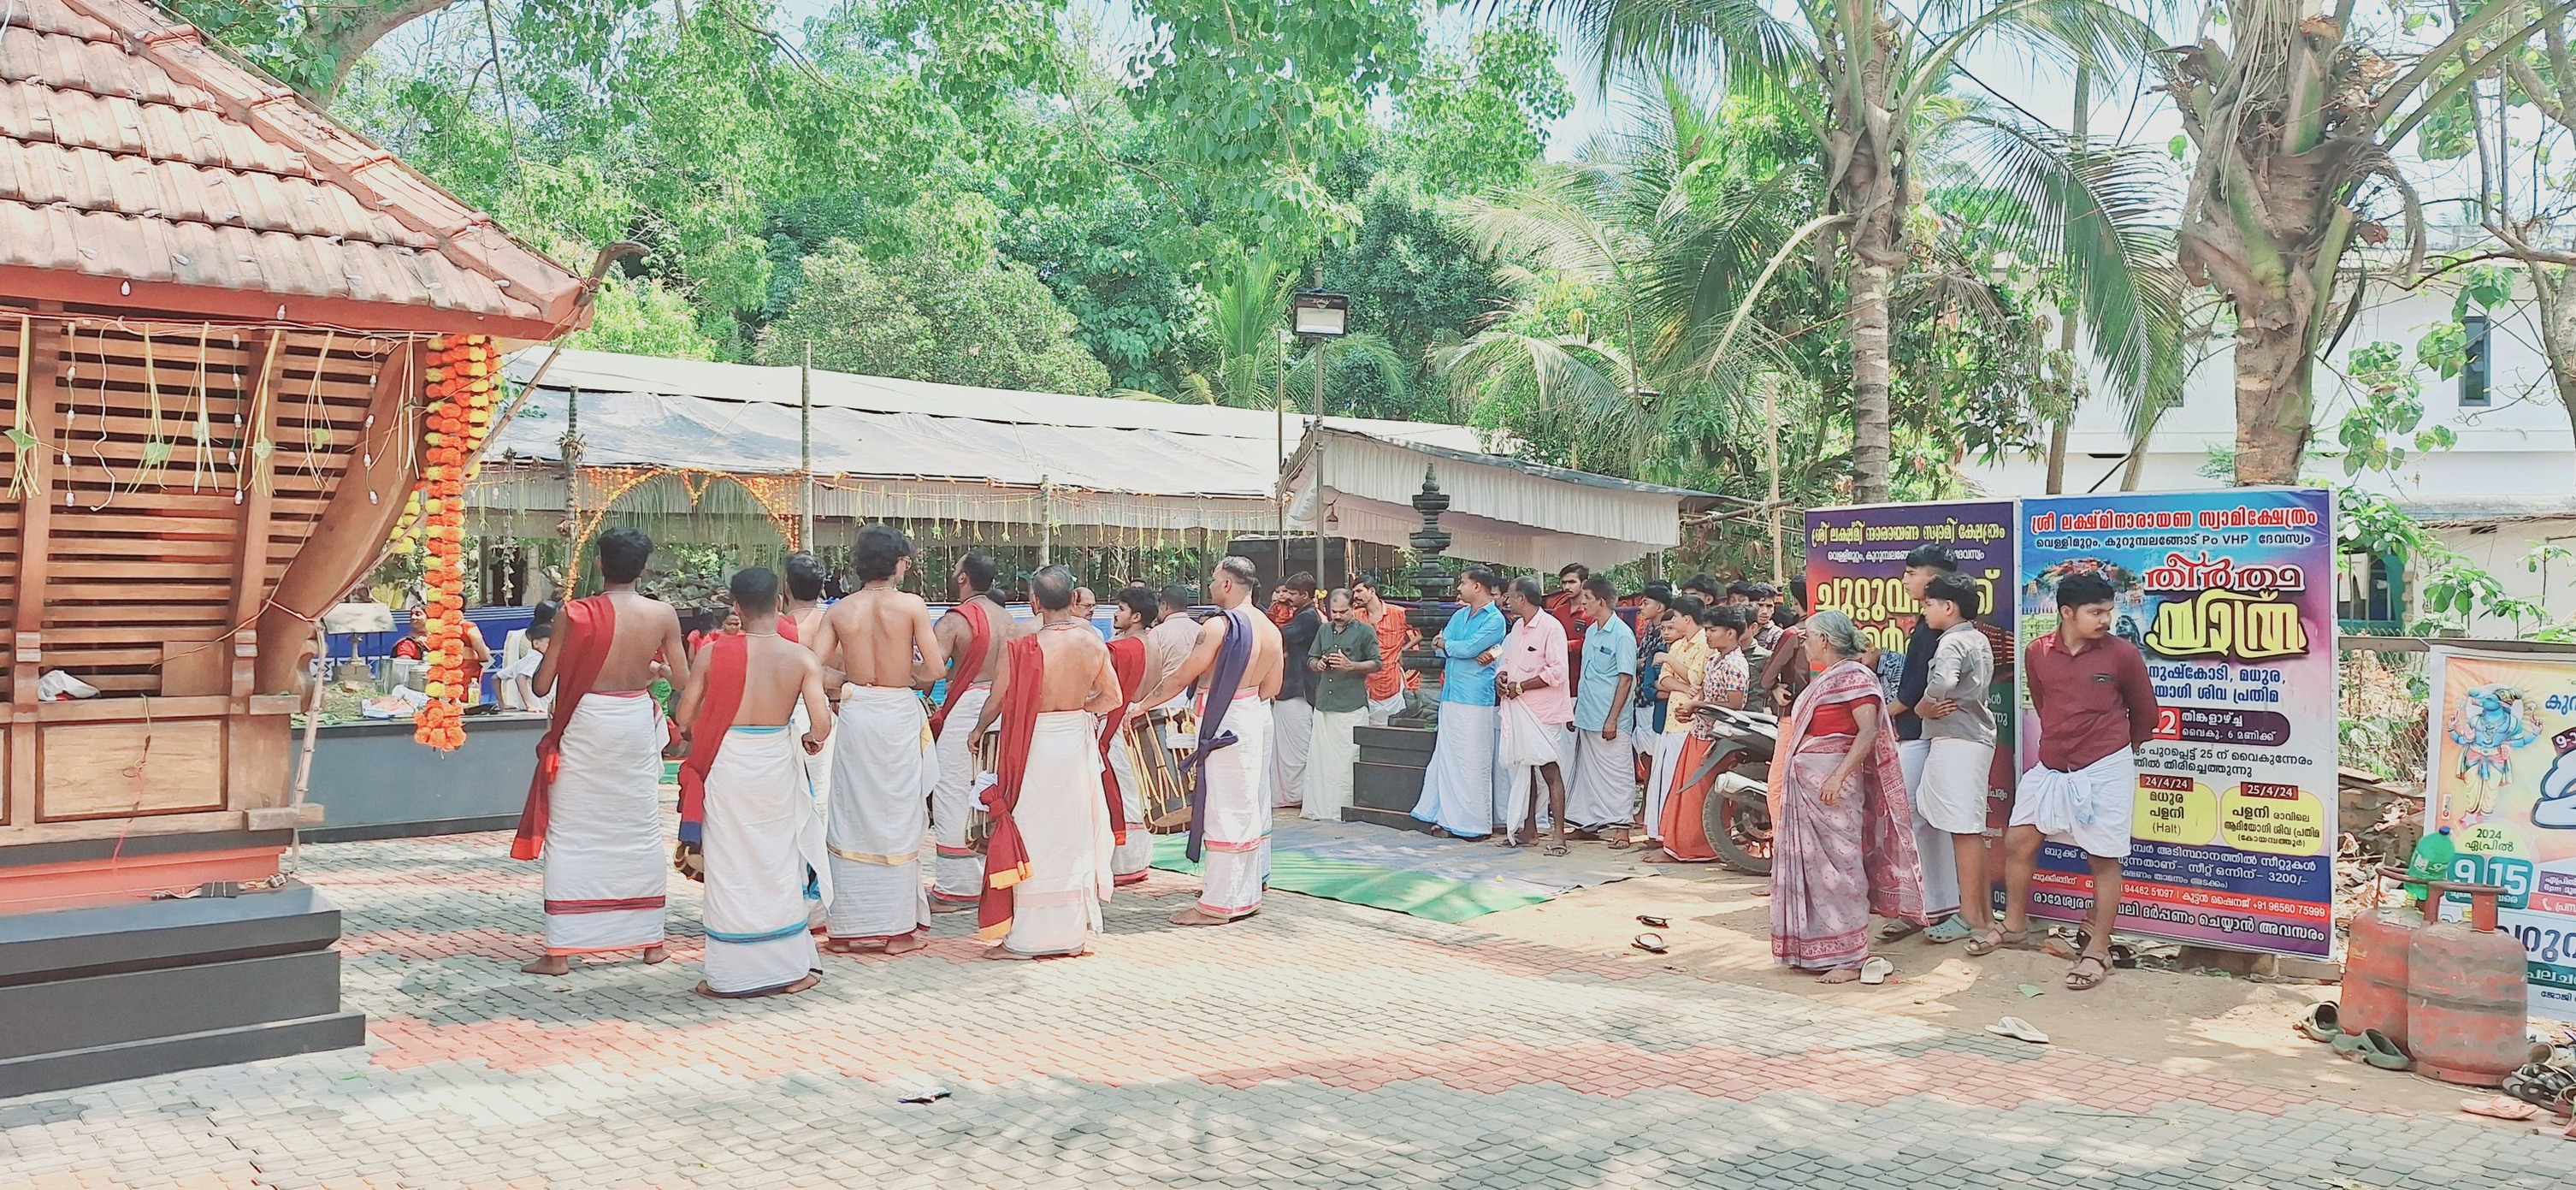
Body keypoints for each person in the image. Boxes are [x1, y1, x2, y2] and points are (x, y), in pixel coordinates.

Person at [516, 527, 690, 976]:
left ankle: (561, 951)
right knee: (638, 825)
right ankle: (650, 942)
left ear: (600, 565)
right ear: (644, 568)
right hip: (632, 721)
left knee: (572, 831)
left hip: (586, 722)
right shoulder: (662, 614)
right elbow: (684, 681)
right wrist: (651, 668)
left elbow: (540, 685)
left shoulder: (574, 614)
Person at [1973, 572, 2157, 992]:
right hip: (2052, 765)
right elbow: (2042, 702)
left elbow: (2145, 715)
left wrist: (2111, 751)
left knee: (2103, 858)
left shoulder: (2123, 655)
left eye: (2110, 611)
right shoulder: (2036, 652)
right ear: (2067, 613)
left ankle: (2096, 950)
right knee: (2019, 839)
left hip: (2106, 766)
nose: (2106, 619)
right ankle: (2016, 926)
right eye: (2097, 612)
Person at [669, 566, 832, 999]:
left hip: (727, 763)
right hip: (776, 763)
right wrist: (811, 743)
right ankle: (788, 967)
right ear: (778, 603)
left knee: (730, 862)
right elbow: (821, 723)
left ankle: (732, 975)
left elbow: (684, 717)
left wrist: (698, 731)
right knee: (777, 860)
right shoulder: (800, 657)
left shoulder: (714, 653)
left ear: (735, 608)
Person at [966, 566, 1120, 958]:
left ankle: (1027, 937)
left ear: (1034, 603)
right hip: (1072, 742)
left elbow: (997, 698)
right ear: (1073, 600)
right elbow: (1112, 698)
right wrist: (1080, 710)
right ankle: (1068, 936)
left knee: (1032, 833)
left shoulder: (1022, 646)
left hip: (1031, 745)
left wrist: (978, 730)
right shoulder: (1093, 644)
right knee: (1070, 834)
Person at [1765, 610, 1926, 982]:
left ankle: (1851, 956)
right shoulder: (1828, 679)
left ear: (1825, 640)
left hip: (1833, 789)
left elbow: (1867, 732)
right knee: (1813, 870)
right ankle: (1815, 947)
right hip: (1808, 787)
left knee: (1841, 869)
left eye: (1808, 638)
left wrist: (1838, 775)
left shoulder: (1856, 677)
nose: (1804, 645)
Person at [807, 525, 944, 955]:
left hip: (859, 711)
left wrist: (847, 680)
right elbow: (936, 669)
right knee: (899, 812)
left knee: (851, 812)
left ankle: (848, 928)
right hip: (896, 713)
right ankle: (897, 930)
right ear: (898, 563)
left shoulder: (840, 611)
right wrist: (906, 675)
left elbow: (808, 666)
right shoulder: (910, 606)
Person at [1129, 556, 1284, 926]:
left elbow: (1182, 676)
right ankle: (1244, 896)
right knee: (1246, 806)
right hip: (1251, 715)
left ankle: (1219, 903)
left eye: (1214, 580)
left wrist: (1141, 706)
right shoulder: (1269, 627)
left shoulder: (1219, 627)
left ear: (1228, 584)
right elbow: (1273, 688)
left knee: (1224, 808)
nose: (1210, 586)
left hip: (1224, 717)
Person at [1909, 573, 1998, 945]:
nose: (1925, 611)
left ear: (1948, 607)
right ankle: (1980, 913)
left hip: (1958, 739)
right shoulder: (1977, 638)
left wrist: (1924, 705)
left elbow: (1943, 680)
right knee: (1966, 828)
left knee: (1964, 829)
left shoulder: (1952, 642)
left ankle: (1971, 916)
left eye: (1929, 605)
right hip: (1969, 740)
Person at [927, 552, 1019, 910]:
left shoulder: (954, 621)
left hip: (966, 708)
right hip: (999, 706)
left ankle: (957, 888)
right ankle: (989, 879)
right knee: (989, 790)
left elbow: (929, 672)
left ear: (964, 578)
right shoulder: (1009, 620)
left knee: (952, 789)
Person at [1882, 542, 1962, 944]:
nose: (1906, 580)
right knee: (1921, 821)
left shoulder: (1940, 630)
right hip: (1922, 734)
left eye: (1911, 573)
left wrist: (1881, 715)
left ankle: (1933, 905)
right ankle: (1929, 904)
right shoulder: (1928, 624)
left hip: (1927, 736)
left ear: (1932, 579)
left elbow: (1916, 693)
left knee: (1917, 820)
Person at [1409, 568, 1509, 838]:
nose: (1459, 588)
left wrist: (1449, 644)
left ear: (1478, 587)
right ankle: (1446, 817)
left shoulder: (1495, 620)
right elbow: (1439, 645)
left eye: (1463, 583)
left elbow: (1466, 648)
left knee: (1471, 760)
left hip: (1475, 698)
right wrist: (1450, 645)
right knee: (1449, 758)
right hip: (1452, 694)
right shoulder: (1459, 615)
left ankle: (1473, 824)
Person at [1651, 605, 1750, 862]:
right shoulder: (1714, 660)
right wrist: (1693, 710)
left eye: (1712, 629)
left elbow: (1735, 705)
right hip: (1699, 732)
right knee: (1685, 792)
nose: (1707, 634)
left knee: (1700, 797)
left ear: (1730, 633)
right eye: (1706, 629)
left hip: (1719, 739)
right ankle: (1678, 846)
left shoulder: (1735, 664)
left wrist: (1699, 706)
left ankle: (1698, 849)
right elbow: (1704, 694)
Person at [1496, 577, 1573, 853]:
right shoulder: (1517, 628)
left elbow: (1557, 672)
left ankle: (1559, 835)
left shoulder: (1551, 628)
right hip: (1519, 710)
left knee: (1549, 770)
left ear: (1522, 600)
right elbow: (1506, 662)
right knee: (1525, 768)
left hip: (1543, 713)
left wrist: (1521, 687)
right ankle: (1529, 830)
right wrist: (1502, 679)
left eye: (1510, 596)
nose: (1506, 601)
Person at [1563, 577, 1638, 846]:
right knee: (1588, 774)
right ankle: (1588, 823)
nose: (1582, 603)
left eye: (1587, 599)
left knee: (1617, 773)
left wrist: (1613, 718)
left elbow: (1626, 679)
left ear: (1601, 602)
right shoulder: (1593, 631)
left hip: (1611, 719)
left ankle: (1621, 827)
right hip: (1588, 714)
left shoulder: (1622, 635)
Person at [1303, 588, 1381, 822]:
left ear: (1353, 609)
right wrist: (1318, 665)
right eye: (1334, 611)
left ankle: (1344, 808)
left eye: (1343, 612)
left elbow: (1377, 663)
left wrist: (1351, 665)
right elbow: (1311, 658)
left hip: (1351, 704)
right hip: (1325, 703)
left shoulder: (1365, 631)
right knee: (1322, 759)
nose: (1337, 616)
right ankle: (1320, 808)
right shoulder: (1324, 630)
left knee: (1347, 759)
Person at [1642, 595, 1710, 846]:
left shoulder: (1705, 644)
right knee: (1665, 777)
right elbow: (1664, 681)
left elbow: (1697, 678)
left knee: (1681, 780)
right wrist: (1684, 685)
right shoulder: (1678, 646)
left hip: (1691, 723)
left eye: (1677, 618)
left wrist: (1671, 663)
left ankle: (1677, 835)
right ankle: (1661, 831)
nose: (1673, 623)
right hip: (1672, 720)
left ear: (1687, 619)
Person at [1102, 585, 1158, 885]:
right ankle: (1138, 862)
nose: (1115, 612)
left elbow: (1101, 691)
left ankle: (1123, 865)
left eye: (1121, 609)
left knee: (1122, 793)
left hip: (1118, 727)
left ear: (1136, 616)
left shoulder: (1120, 650)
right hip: (1144, 726)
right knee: (1139, 792)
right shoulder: (1154, 646)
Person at [780, 550, 837, 838]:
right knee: (820, 791)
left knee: (784, 791)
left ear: (786, 586)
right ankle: (817, 870)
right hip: (822, 712)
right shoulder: (833, 623)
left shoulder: (775, 627)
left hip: (780, 713)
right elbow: (838, 675)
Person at [1621, 585, 1672, 850]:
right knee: (1645, 756)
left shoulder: (1663, 634)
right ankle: (1648, 808)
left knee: (1653, 758)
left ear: (1660, 607)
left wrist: (1639, 664)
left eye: (1647, 602)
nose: (1642, 607)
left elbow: (1654, 664)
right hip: (1641, 698)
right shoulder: (1648, 632)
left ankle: (1652, 811)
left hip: (1653, 699)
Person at [1269, 573, 1322, 808]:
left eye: (1292, 593)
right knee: (1288, 748)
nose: (1287, 597)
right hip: (1291, 688)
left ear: (1305, 595)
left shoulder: (1308, 618)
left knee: (1298, 748)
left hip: (1298, 688)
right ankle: (1290, 793)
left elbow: (1280, 636)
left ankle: (1298, 794)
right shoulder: (1301, 615)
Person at [1353, 579, 1420, 725]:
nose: (1355, 596)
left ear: (1372, 591)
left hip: (1391, 680)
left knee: (1395, 729)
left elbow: (1424, 631)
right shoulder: (1356, 617)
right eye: (1353, 592)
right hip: (1366, 682)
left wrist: (1404, 650)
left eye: (1359, 591)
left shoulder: (1397, 613)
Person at [1142, 584, 1201, 709]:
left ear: (1165, 605)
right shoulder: (1202, 631)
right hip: (1194, 701)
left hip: (1162, 703)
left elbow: (1148, 672)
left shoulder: (1158, 633)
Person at [1545, 564, 1590, 689]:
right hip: (1558, 680)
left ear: (1584, 583)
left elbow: (1592, 643)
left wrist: (1566, 645)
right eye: (1564, 583)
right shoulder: (1558, 612)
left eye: (1572, 582)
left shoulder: (1591, 612)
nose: (1567, 587)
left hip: (1583, 681)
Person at [497, 622, 551, 713]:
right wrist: (530, 705)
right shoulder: (537, 658)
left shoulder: (524, 660)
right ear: (536, 643)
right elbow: (520, 677)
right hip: (538, 710)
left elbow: (496, 678)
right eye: (549, 643)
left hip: (524, 710)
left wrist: (502, 704)